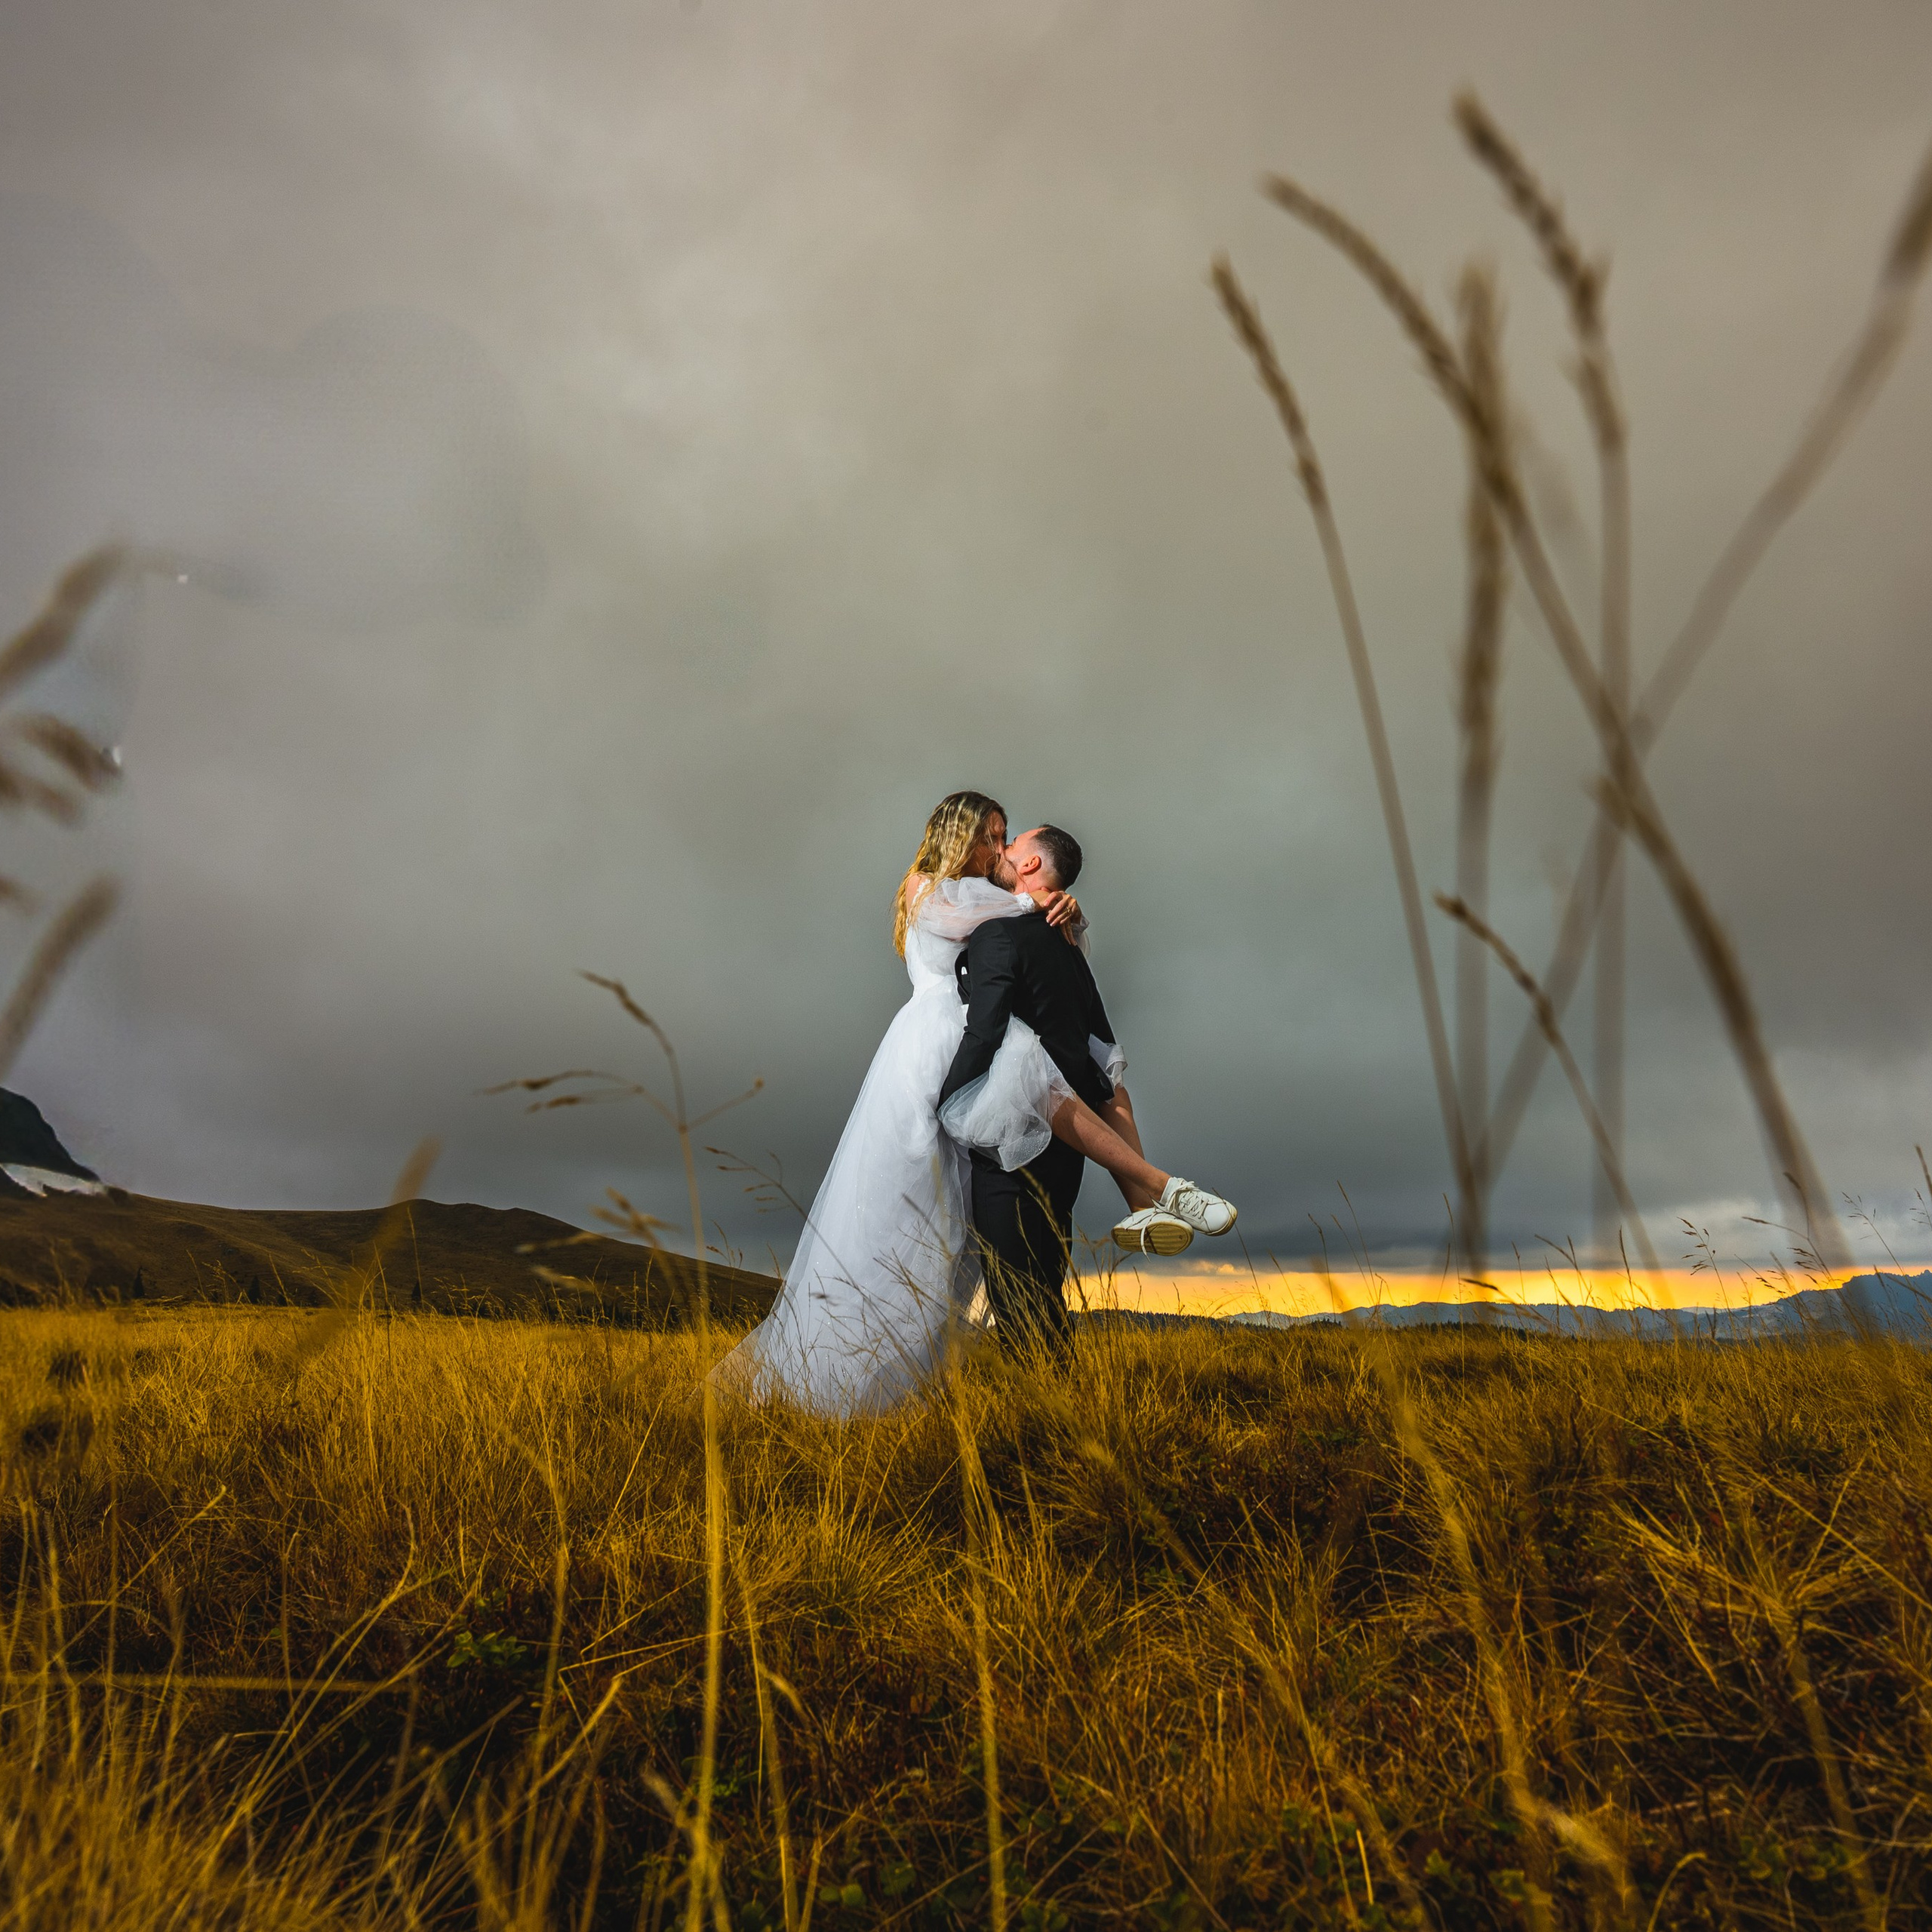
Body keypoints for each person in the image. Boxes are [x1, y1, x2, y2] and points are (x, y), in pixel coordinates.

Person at [712, 791, 1232, 1416]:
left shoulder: (999, 904)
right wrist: (1043, 900)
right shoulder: (926, 885)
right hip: (936, 1042)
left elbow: (1022, 931)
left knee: (966, 1221)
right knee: (916, 1203)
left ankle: (1147, 1196)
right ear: (958, 836)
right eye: (990, 837)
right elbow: (977, 915)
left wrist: (1060, 910)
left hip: (972, 1037)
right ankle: (1152, 1188)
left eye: (1005, 838)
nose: (997, 850)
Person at [937, 821, 1235, 1365]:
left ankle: (1043, 1419)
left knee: (1015, 1290)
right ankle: (1144, 1204)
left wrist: (948, 1100)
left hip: (1013, 1133)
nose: (1001, 850)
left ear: (1030, 866)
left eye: (1012, 844)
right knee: (1045, 1278)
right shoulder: (1065, 941)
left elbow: (985, 1030)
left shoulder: (997, 935)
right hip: (1071, 1138)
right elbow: (1092, 1038)